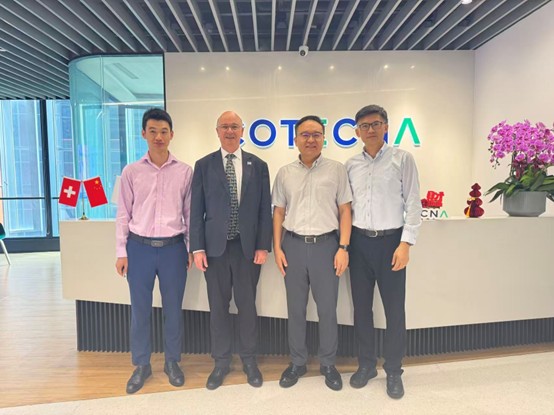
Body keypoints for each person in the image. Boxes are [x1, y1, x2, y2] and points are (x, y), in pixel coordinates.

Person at [190, 111, 272, 390]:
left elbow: (264, 209)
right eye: (224, 126)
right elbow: (196, 210)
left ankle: (249, 360)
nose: (229, 131)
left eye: (234, 126)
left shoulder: (258, 165)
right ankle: (221, 362)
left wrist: (263, 245)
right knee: (218, 308)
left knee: (247, 306)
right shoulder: (204, 165)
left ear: (242, 131)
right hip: (214, 250)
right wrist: (197, 248)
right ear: (217, 131)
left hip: (247, 250)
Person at [345, 104, 422, 399]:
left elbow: (413, 202)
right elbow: (346, 208)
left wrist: (406, 243)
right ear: (357, 132)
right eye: (364, 126)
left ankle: (393, 370)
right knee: (362, 309)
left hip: (392, 244)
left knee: (394, 310)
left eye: (376, 124)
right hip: (359, 244)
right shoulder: (351, 164)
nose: (371, 130)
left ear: (386, 127)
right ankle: (366, 365)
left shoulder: (402, 159)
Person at [115, 108, 193, 394]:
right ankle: (141, 364)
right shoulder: (131, 171)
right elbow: (123, 214)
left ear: (172, 135)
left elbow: (190, 213)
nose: (158, 136)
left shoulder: (185, 171)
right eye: (153, 131)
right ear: (143, 134)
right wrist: (121, 251)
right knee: (140, 310)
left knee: (173, 309)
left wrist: (189, 248)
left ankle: (172, 362)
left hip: (173, 249)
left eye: (163, 131)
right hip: (139, 249)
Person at [272, 115, 352, 391]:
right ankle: (297, 362)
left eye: (316, 134)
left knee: (327, 309)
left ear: (323, 138)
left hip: (327, 247)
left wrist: (343, 247)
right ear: (295, 139)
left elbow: (345, 210)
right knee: (295, 309)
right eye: (305, 134)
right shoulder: (284, 173)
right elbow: (278, 212)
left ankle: (328, 363)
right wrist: (277, 248)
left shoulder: (336, 170)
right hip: (292, 246)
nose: (310, 139)